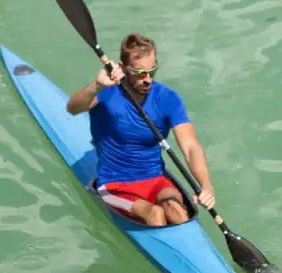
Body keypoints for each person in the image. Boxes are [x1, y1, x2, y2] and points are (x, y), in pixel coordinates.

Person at [65, 33, 216, 227]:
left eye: (152, 71)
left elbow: (190, 147)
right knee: (154, 215)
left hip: (155, 179)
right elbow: (72, 108)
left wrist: (206, 185)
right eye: (139, 73)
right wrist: (96, 86)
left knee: (177, 211)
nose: (147, 79)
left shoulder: (167, 98)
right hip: (114, 184)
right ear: (123, 68)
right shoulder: (106, 93)